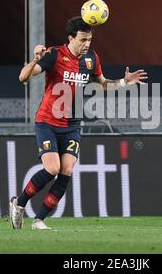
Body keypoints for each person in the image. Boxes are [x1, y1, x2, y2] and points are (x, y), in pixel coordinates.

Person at [9, 16, 147, 230]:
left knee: (67, 170)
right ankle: (18, 204)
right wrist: (36, 59)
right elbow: (23, 78)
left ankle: (39, 220)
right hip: (47, 121)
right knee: (52, 168)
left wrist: (122, 82)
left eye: (89, 40)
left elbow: (102, 85)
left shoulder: (91, 58)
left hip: (72, 124)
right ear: (71, 38)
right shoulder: (54, 55)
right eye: (83, 40)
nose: (87, 44)